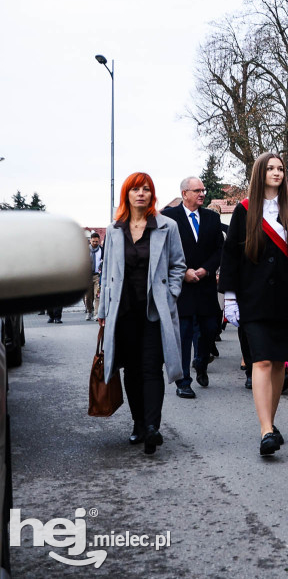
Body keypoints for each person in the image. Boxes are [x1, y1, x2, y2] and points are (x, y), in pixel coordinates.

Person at [97, 172, 186, 454]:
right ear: (127, 194)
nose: (141, 194)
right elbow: (107, 272)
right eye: (135, 189)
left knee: (151, 368)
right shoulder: (114, 230)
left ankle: (152, 427)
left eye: (146, 189)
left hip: (154, 311)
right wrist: (102, 310)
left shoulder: (166, 226)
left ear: (152, 195)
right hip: (122, 311)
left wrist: (170, 294)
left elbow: (178, 265)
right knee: (131, 370)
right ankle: (137, 422)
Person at [220, 152, 288, 456]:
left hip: (285, 299)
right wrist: (229, 297)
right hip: (252, 299)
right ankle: (266, 430)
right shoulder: (244, 211)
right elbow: (231, 255)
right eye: (271, 168)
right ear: (260, 173)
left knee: (280, 362)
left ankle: (272, 419)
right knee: (262, 361)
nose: (277, 173)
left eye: (280, 168)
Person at [163, 177, 224, 398]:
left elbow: (219, 250)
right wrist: (184, 271)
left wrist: (206, 270)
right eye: (197, 190)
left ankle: (201, 362)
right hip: (182, 287)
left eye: (203, 190)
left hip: (205, 285)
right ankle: (183, 382)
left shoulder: (212, 218)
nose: (202, 194)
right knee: (184, 334)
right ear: (184, 193)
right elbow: (164, 251)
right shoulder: (169, 218)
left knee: (209, 329)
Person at [84, 232, 103, 320]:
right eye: (93, 241)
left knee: (97, 295)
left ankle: (96, 313)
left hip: (97, 276)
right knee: (88, 297)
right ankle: (89, 312)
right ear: (90, 241)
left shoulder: (101, 250)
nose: (95, 243)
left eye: (97, 241)